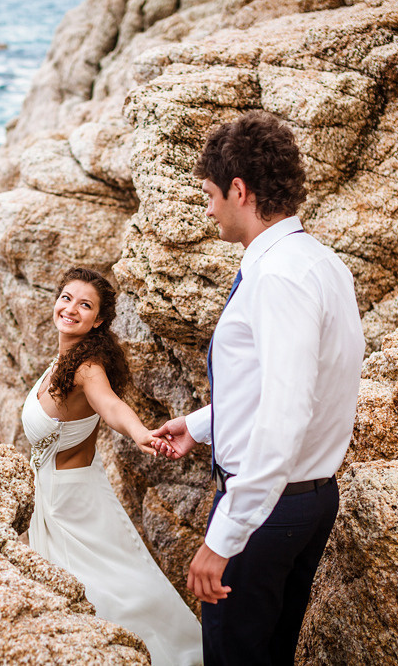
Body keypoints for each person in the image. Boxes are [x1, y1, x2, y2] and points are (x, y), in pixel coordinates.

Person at [152, 110, 366, 665]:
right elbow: (297, 386)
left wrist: (224, 538)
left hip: (267, 509)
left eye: (210, 195)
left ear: (239, 190)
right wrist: (201, 426)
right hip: (311, 497)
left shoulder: (276, 277)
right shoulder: (323, 263)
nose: (208, 209)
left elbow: (285, 414)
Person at [22, 266, 202, 666]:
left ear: (98, 320)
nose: (70, 309)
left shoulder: (87, 368)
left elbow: (110, 405)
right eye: (66, 297)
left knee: (113, 588)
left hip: (71, 501)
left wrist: (138, 432)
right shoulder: (63, 359)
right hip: (52, 492)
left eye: (84, 305)